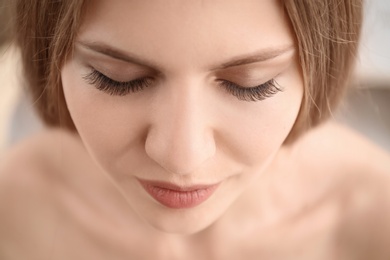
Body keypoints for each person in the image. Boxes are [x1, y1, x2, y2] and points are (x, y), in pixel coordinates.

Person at [1, 0, 390, 259]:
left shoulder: (375, 225)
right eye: (118, 79)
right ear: (49, 55)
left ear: (319, 67)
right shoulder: (11, 214)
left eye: (250, 84)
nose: (181, 158)